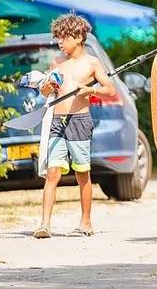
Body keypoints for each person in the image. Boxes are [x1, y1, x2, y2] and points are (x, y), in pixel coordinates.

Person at [32, 14, 117, 239]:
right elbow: (45, 92)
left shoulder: (92, 64)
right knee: (52, 173)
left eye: (63, 37)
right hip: (57, 122)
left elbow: (110, 90)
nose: (59, 42)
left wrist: (91, 90)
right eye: (58, 38)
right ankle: (44, 224)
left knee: (82, 173)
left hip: (80, 121)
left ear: (78, 37)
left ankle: (86, 222)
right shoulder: (57, 64)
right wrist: (47, 86)